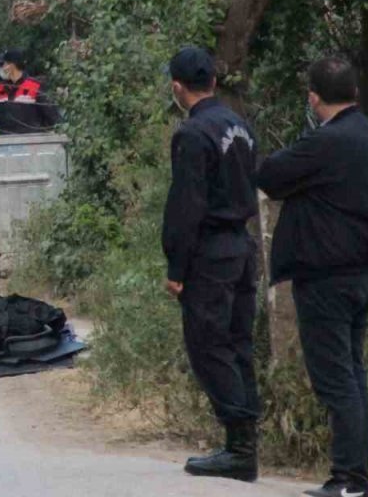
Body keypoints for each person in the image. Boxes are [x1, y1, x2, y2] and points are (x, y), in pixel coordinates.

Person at [257, 57, 368, 497]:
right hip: (360, 274)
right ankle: (356, 475)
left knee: (335, 379)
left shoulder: (326, 143)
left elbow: (271, 175)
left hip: (327, 279)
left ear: (314, 98)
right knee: (352, 374)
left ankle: (349, 479)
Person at [160, 46, 261, 482]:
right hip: (242, 245)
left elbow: (186, 206)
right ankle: (247, 437)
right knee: (237, 341)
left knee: (207, 344)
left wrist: (176, 268)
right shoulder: (240, 126)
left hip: (211, 253)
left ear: (177, 88)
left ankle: (240, 447)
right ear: (214, 83)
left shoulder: (193, 134)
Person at [0, 49, 61, 136]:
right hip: (5, 144)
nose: (2, 68)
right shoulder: (0, 88)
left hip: (32, 144)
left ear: (11, 66)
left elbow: (51, 114)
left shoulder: (35, 86)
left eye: (3, 64)